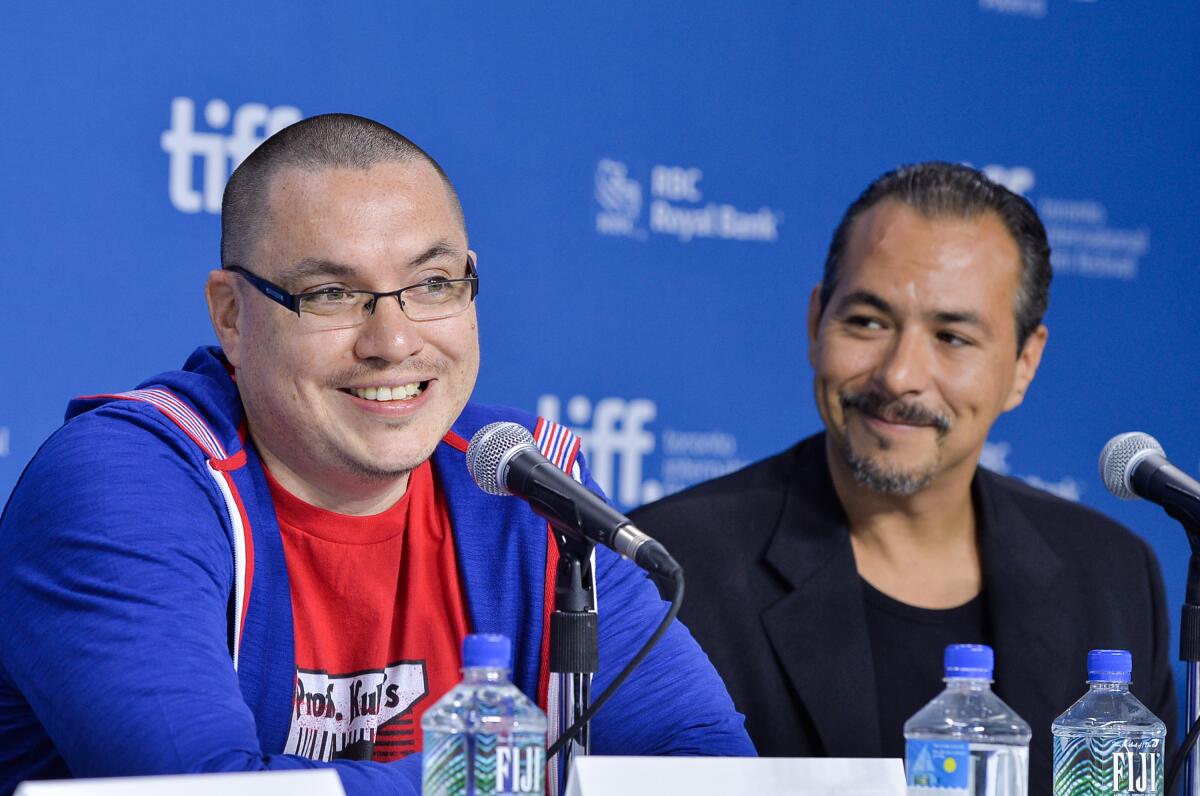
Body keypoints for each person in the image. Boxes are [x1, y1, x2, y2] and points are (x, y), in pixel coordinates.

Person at [0, 114, 753, 795]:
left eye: (432, 284)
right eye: (330, 293)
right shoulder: (122, 485)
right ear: (232, 316)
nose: (393, 343)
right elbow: (201, 792)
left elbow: (700, 763)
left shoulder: (521, 483)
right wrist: (507, 784)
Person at [629, 162, 1176, 795]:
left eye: (952, 336)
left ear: (1024, 364)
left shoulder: (1110, 575)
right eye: (866, 322)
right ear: (815, 322)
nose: (899, 376)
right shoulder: (671, 570)